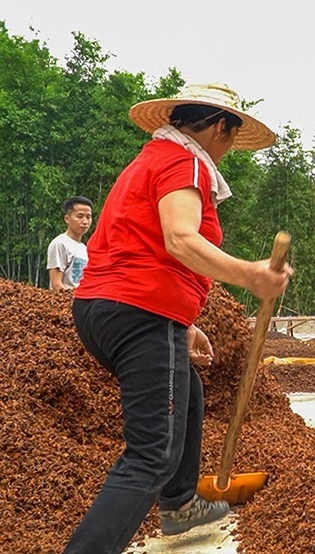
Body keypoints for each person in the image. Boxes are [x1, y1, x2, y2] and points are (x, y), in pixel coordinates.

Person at [63, 83, 291, 554]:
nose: (229, 150)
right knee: (152, 455)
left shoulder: (151, 160)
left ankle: (180, 505)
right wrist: (251, 275)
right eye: (230, 137)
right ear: (220, 128)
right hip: (137, 311)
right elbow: (180, 240)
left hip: (108, 308)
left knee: (187, 390)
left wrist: (182, 324)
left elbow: (139, 246)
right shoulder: (183, 162)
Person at [47, 196, 93, 290]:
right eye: (80, 216)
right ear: (67, 219)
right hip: (66, 301)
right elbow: (56, 284)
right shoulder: (60, 244)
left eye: (88, 217)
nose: (85, 221)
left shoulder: (85, 249)